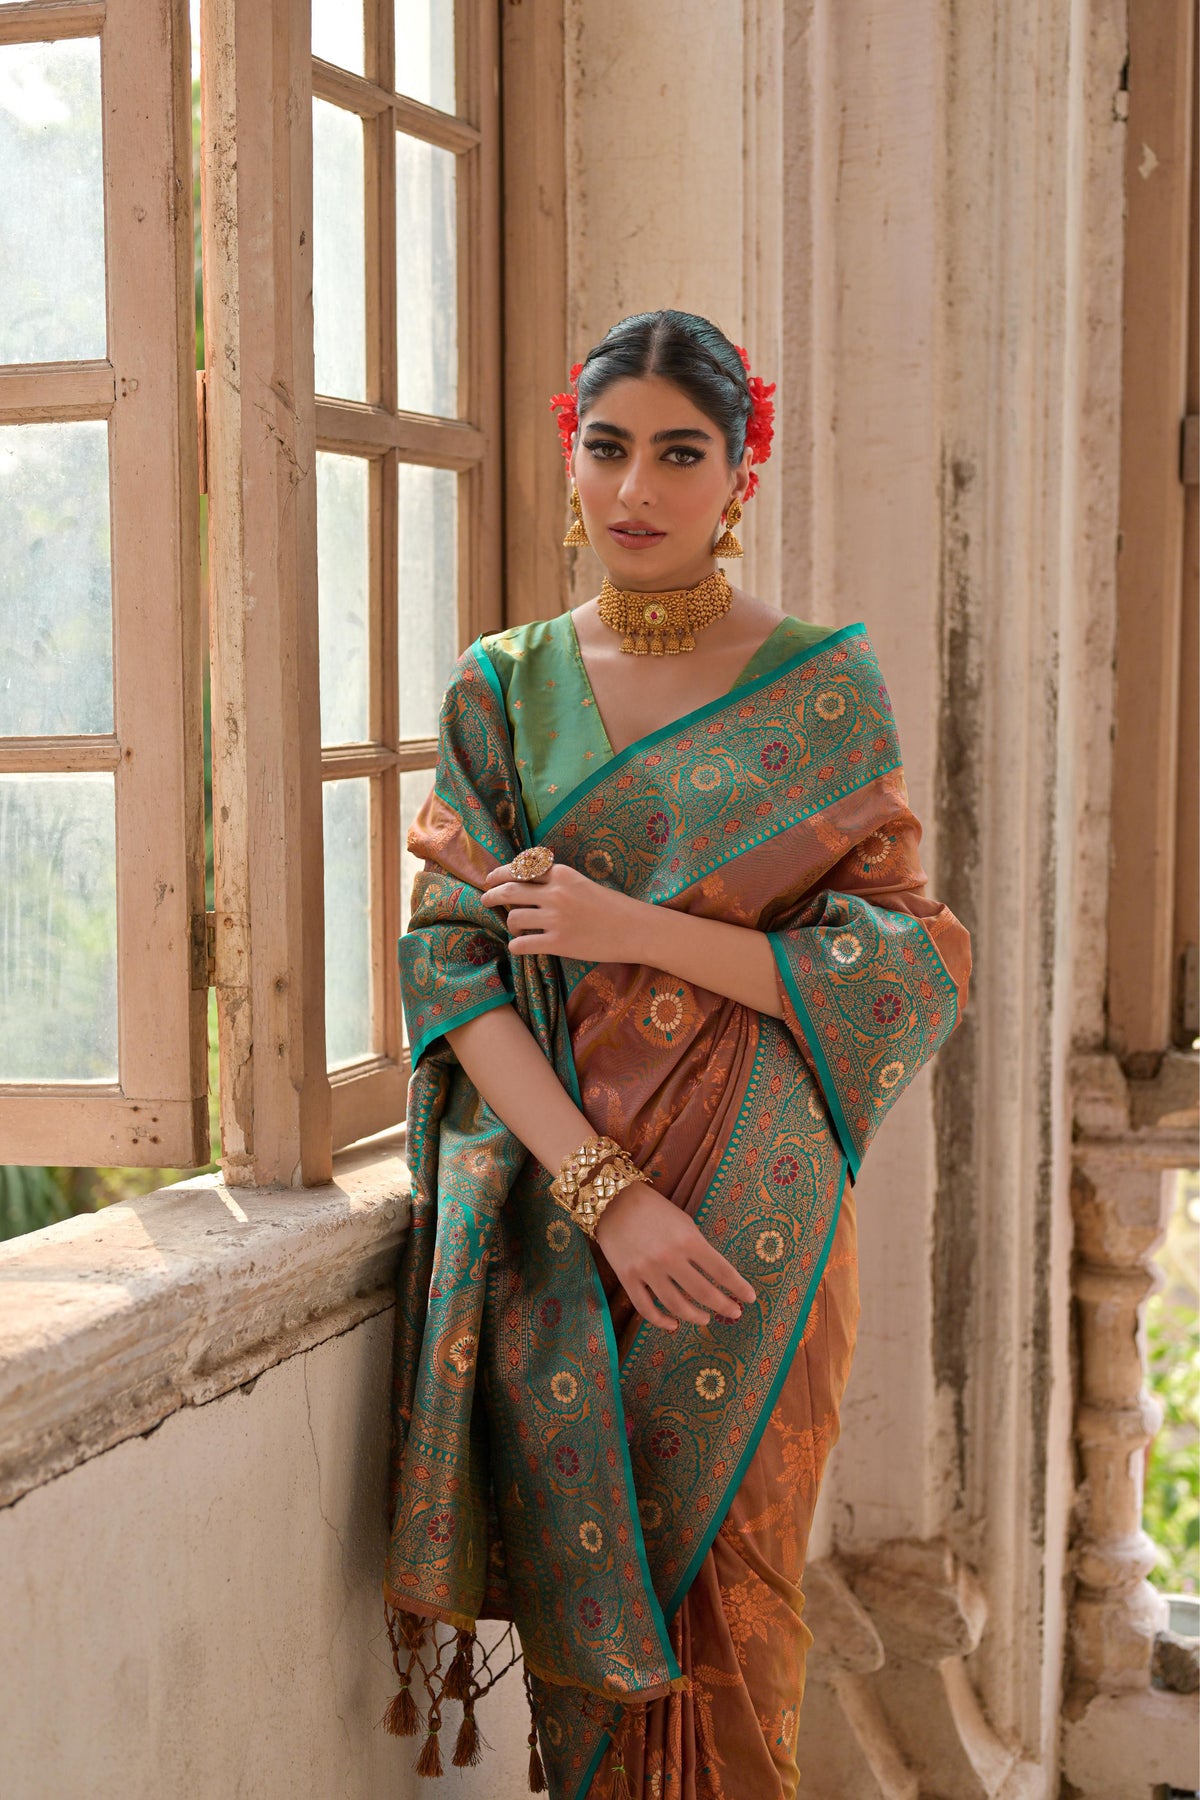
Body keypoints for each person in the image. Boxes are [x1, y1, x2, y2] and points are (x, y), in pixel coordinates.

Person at [381, 309, 971, 1800]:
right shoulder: (502, 688)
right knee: (601, 1642)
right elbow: (453, 970)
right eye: (608, 447)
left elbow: (902, 969)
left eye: (680, 453)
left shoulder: (820, 690)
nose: (635, 487)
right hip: (573, 1228)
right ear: (572, 461)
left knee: (741, 1615)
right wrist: (602, 1196)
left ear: (739, 475)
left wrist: (625, 925)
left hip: (758, 1218)